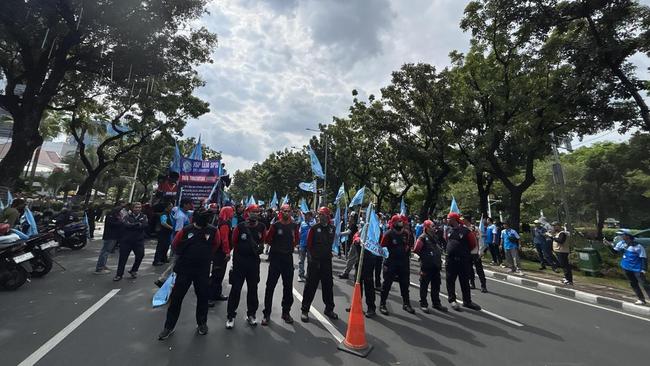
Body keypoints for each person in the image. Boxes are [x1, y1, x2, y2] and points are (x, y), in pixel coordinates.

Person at [158, 208, 219, 340]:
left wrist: (204, 256)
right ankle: (169, 327)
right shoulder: (186, 230)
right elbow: (175, 245)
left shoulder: (213, 231)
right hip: (185, 269)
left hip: (202, 270)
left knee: (203, 297)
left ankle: (202, 324)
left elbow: (215, 245)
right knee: (176, 298)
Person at [226, 204, 266, 329]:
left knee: (253, 289)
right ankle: (231, 316)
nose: (255, 213)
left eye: (257, 212)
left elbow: (263, 241)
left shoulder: (262, 227)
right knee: (236, 289)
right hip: (240, 263)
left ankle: (252, 314)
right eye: (253, 211)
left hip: (253, 264)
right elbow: (234, 241)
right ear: (247, 213)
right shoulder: (240, 226)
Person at [261, 204, 299, 325]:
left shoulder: (294, 226)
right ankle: (266, 314)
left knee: (288, 287)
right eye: (285, 211)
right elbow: (267, 239)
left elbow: (296, 240)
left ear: (291, 212)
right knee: (270, 286)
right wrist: (277, 247)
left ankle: (286, 312)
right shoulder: (275, 225)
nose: (287, 213)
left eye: (289, 211)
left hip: (288, 259)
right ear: (281, 212)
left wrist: (288, 247)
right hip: (276, 258)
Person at [301, 207, 339, 322]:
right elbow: (309, 245)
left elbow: (331, 243)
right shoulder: (314, 228)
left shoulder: (332, 228)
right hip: (314, 262)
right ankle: (305, 310)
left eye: (322, 214)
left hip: (326, 262)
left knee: (328, 286)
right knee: (310, 286)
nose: (320, 216)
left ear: (327, 216)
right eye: (319, 214)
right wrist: (312, 260)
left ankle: (329, 309)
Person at [379, 214, 415, 315]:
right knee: (387, 284)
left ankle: (406, 304)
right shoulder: (388, 234)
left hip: (403, 262)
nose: (401, 223)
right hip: (391, 262)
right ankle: (382, 304)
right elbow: (382, 248)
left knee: (405, 284)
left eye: (401, 221)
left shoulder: (406, 233)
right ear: (394, 223)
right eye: (399, 221)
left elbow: (408, 245)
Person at [445, 212, 481, 311]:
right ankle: (452, 300)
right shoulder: (448, 230)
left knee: (464, 281)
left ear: (454, 219)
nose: (447, 220)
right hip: (451, 260)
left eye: (449, 218)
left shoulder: (466, 231)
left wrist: (462, 251)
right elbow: (446, 241)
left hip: (463, 260)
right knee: (450, 280)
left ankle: (467, 301)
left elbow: (473, 244)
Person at [603, 230, 650, 305]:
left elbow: (643, 258)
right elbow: (615, 252)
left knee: (645, 284)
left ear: (627, 236)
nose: (621, 236)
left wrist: (644, 269)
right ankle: (641, 299)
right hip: (626, 267)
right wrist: (608, 245)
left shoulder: (638, 246)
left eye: (622, 235)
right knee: (633, 283)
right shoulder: (621, 243)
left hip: (637, 269)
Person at [414, 220, 447, 313]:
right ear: (427, 227)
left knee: (436, 285)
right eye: (432, 226)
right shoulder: (422, 237)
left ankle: (436, 303)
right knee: (424, 285)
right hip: (426, 266)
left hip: (436, 265)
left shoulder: (435, 237)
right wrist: (425, 256)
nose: (434, 227)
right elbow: (416, 249)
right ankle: (423, 304)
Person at [114, 202, 148, 281]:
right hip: (126, 241)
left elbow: (144, 225)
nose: (138, 209)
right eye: (136, 207)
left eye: (139, 207)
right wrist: (137, 224)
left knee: (140, 255)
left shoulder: (144, 216)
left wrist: (133, 225)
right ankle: (119, 275)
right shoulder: (127, 216)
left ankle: (134, 270)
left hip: (138, 241)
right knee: (123, 258)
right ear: (132, 208)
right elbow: (126, 225)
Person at [208, 205, 233, 307]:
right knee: (216, 275)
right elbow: (224, 239)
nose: (233, 213)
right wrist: (227, 252)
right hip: (220, 253)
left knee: (220, 274)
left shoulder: (221, 221)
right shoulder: (224, 224)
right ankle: (209, 297)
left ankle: (217, 294)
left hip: (220, 252)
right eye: (232, 211)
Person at [94, 205, 122, 274]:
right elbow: (113, 224)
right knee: (105, 251)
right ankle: (100, 268)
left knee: (106, 251)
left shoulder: (112, 215)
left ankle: (102, 265)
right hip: (111, 236)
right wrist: (120, 222)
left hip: (112, 236)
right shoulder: (112, 216)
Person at [466, 216, 488, 293]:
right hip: (468, 253)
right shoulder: (465, 229)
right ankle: (472, 282)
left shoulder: (476, 229)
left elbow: (481, 241)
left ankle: (483, 285)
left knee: (479, 270)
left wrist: (480, 252)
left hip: (476, 253)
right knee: (469, 269)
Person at [339, 212, 359, 279]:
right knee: (353, 259)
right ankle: (355, 274)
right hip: (353, 243)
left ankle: (346, 273)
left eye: (350, 216)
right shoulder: (352, 224)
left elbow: (348, 232)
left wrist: (339, 233)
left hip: (355, 244)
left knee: (351, 258)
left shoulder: (354, 225)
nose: (349, 217)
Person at [298, 211, 315, 282]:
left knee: (310, 261)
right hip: (302, 244)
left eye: (307, 215)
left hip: (310, 246)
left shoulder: (313, 224)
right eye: (305, 215)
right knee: (301, 261)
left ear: (310, 216)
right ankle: (300, 275)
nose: (305, 216)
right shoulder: (302, 223)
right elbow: (299, 233)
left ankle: (309, 275)